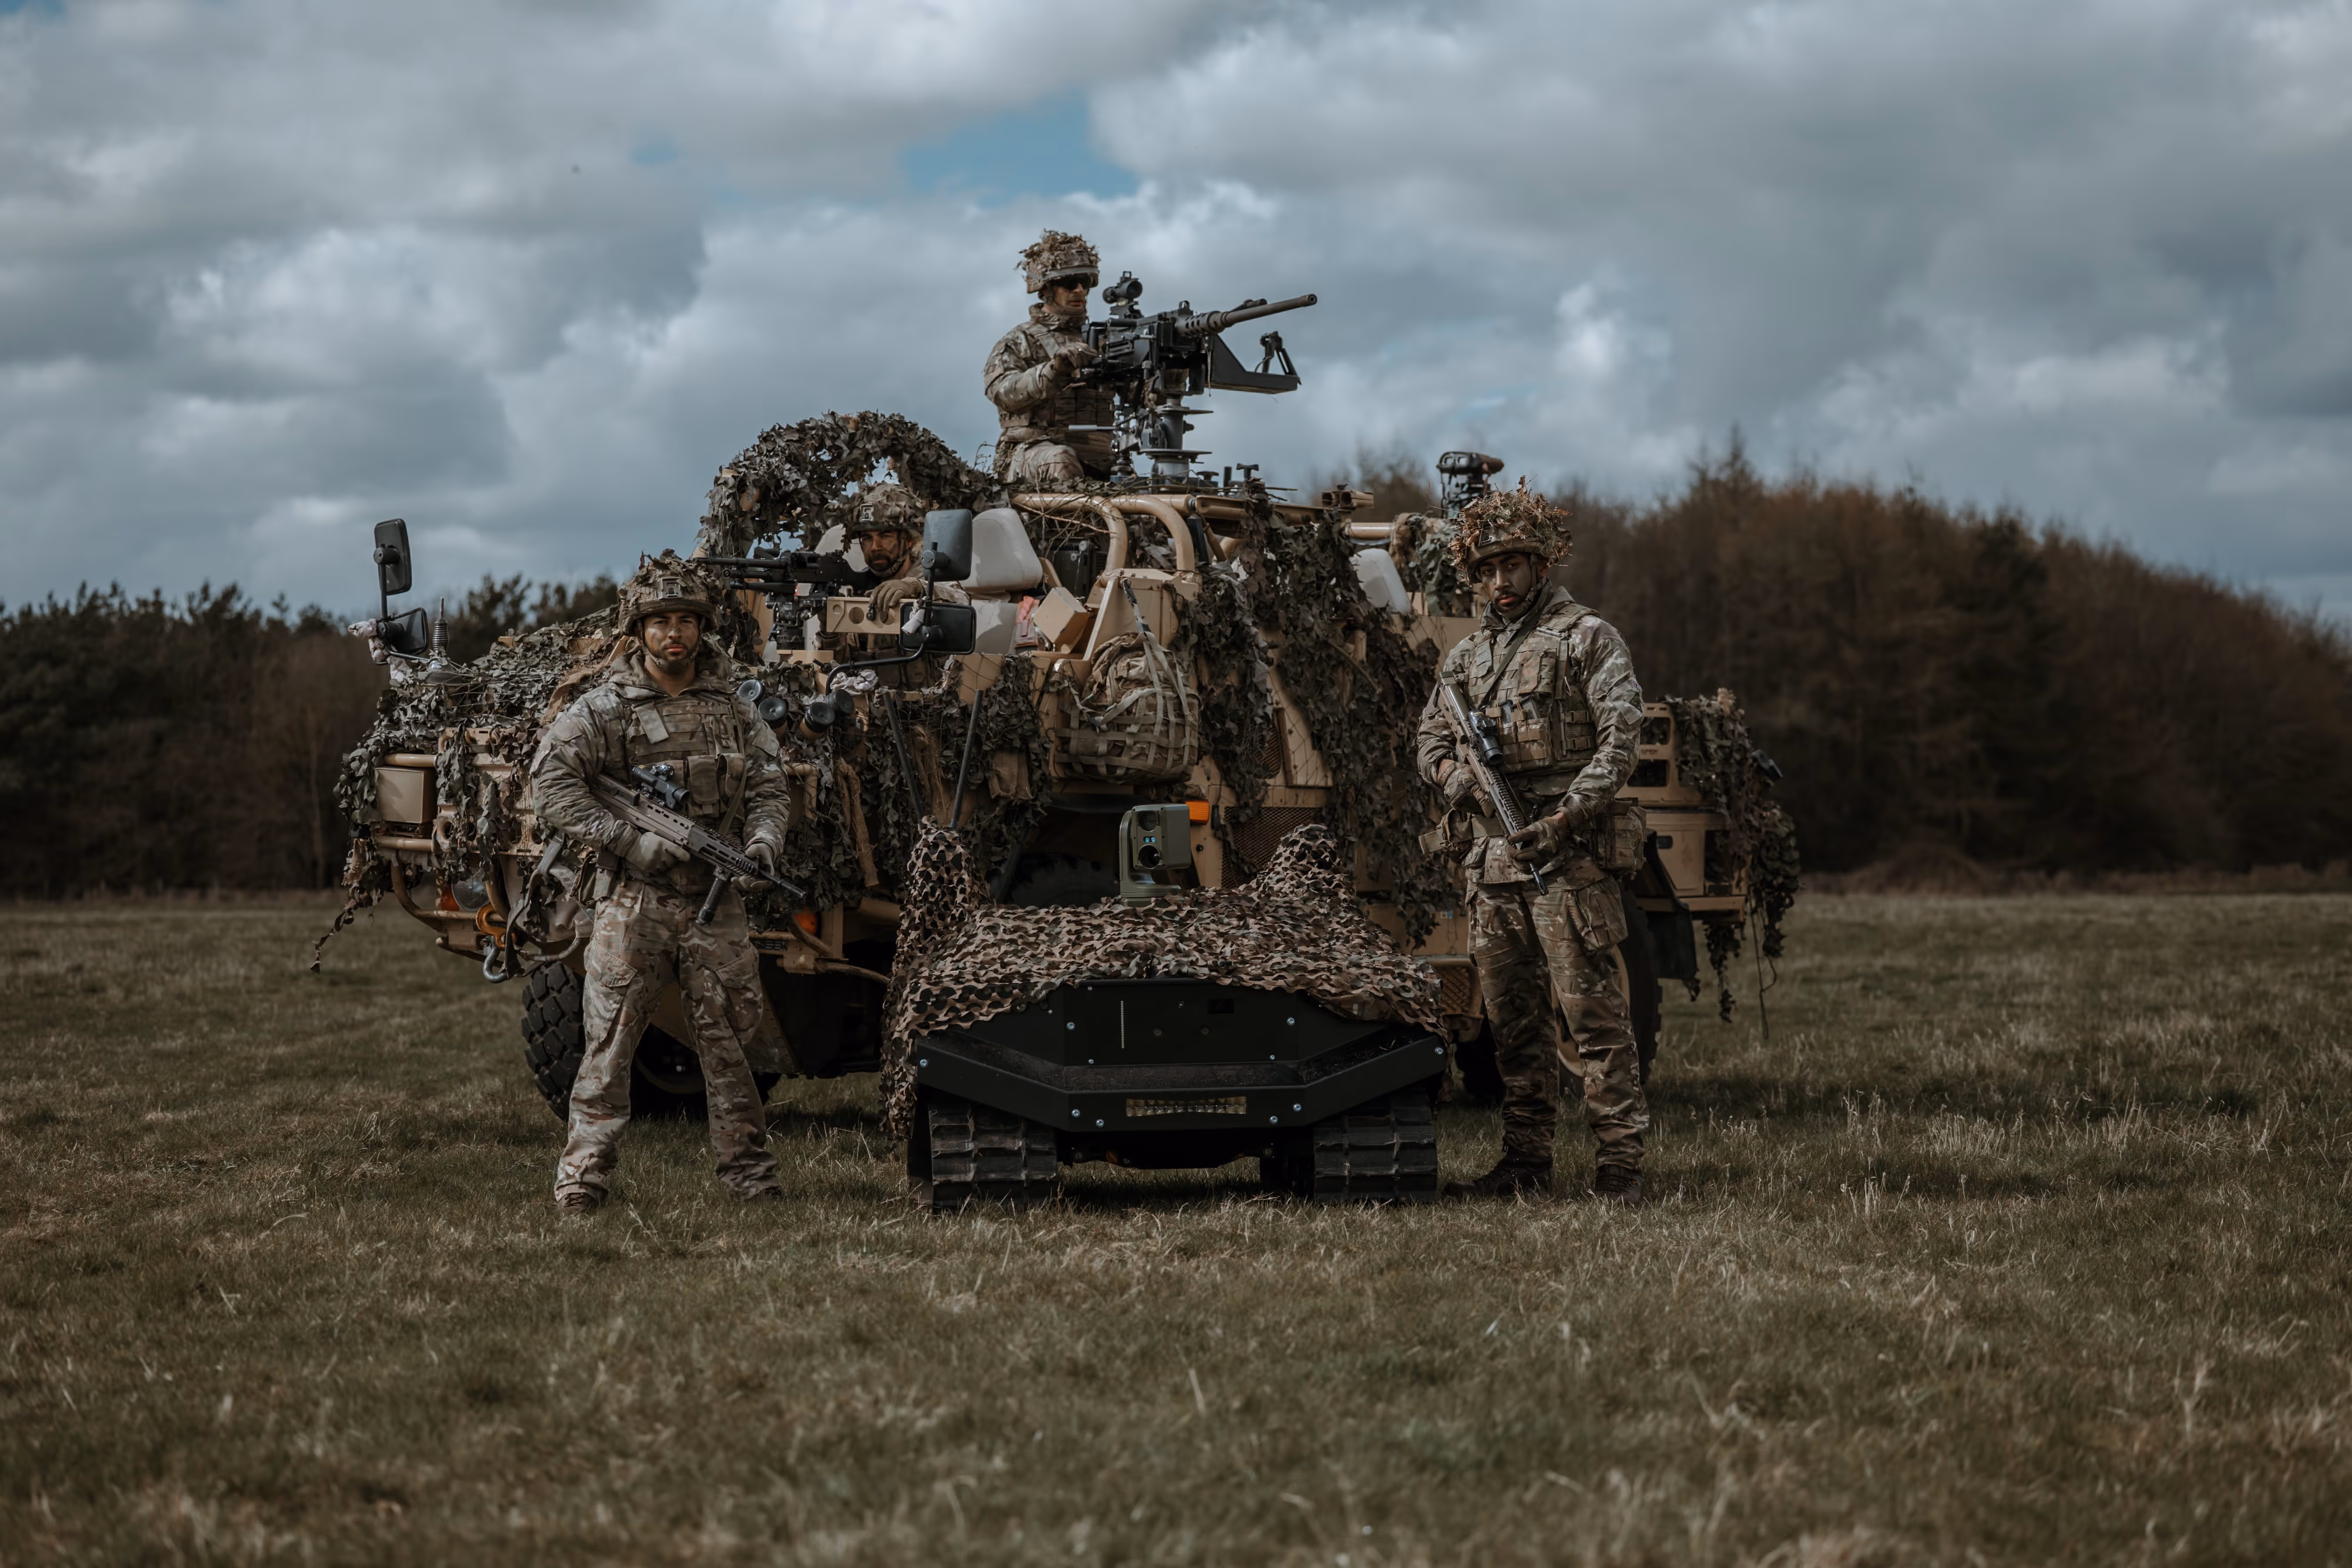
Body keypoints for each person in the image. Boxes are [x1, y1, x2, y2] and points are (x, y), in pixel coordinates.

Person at [530, 551, 792, 1212]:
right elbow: (552, 786)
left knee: (732, 1045)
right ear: (638, 630)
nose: (673, 633)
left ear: (702, 629)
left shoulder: (735, 708)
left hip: (715, 902)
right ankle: (583, 1181)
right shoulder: (605, 708)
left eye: (685, 621)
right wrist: (628, 841)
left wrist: (762, 842)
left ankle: (750, 1179)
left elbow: (769, 786)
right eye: (660, 622)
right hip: (631, 902)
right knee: (609, 1044)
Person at [1413, 484, 1650, 1203]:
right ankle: (1524, 1162)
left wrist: (1569, 813)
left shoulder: (1585, 637)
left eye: (1511, 564)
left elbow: (1622, 736)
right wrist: (1455, 775)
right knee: (1511, 1024)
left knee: (1591, 1016)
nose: (1498, 580)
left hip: (1566, 857)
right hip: (1492, 862)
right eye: (1485, 568)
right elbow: (1426, 737)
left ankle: (1619, 1164)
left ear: (1539, 562)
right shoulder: (1467, 659)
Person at [983, 229, 1115, 485]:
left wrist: (1171, 375)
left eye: (1085, 283)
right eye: (1070, 283)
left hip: (1100, 457)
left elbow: (1143, 398)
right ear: (1046, 289)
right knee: (1061, 462)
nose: (1079, 291)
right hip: (1028, 454)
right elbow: (1002, 393)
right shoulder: (1020, 340)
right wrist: (1055, 370)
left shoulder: (1104, 342)